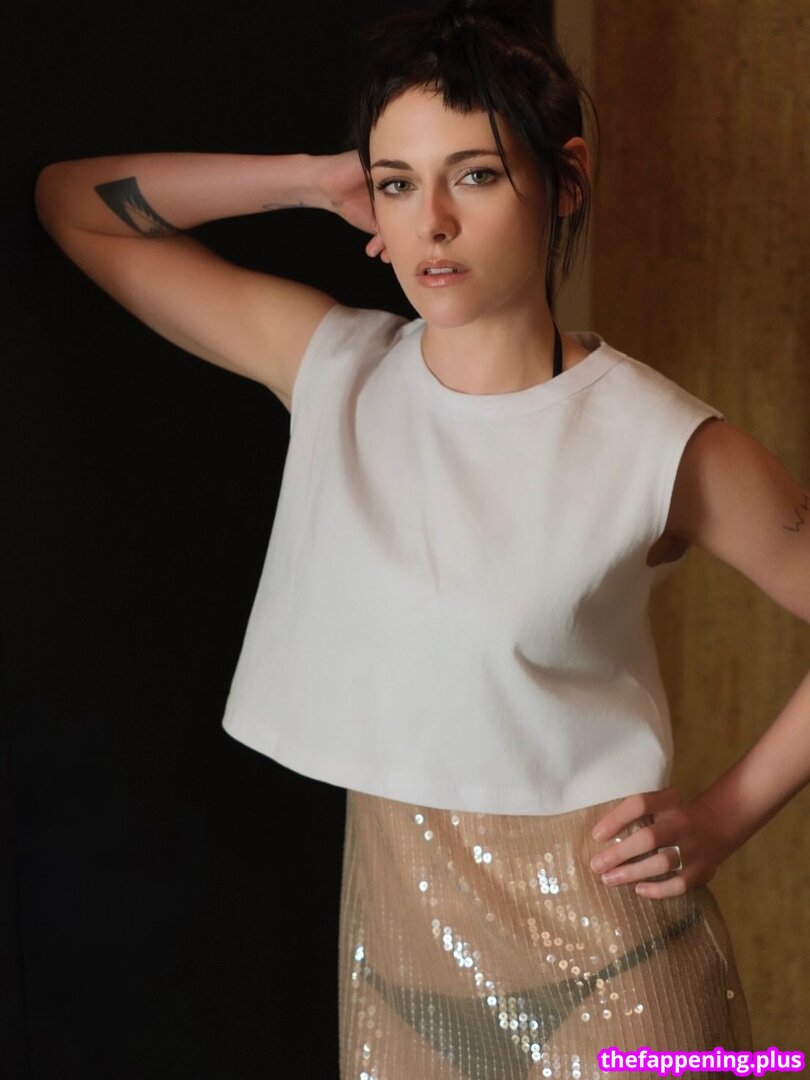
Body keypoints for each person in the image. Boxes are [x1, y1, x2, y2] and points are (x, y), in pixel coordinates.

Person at [34, 0, 810, 1075]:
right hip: (397, 974)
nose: (431, 222)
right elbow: (73, 204)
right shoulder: (331, 368)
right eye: (399, 183)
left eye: (475, 175)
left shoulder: (658, 439)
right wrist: (313, 177)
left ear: (566, 180)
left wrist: (725, 816)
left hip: (618, 969)